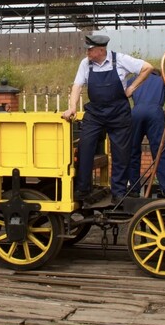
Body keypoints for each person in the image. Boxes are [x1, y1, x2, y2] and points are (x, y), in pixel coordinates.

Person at [61, 34, 153, 203]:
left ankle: (118, 192)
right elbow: (77, 86)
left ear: (101, 50)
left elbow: (147, 67)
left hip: (119, 114)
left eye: (90, 49)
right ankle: (83, 189)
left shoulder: (120, 60)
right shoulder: (85, 63)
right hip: (95, 113)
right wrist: (72, 107)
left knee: (121, 153)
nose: (87, 52)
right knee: (85, 146)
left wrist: (132, 87)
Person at [124, 70, 165, 197]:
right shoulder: (161, 80)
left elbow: (122, 91)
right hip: (155, 114)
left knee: (133, 152)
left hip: (136, 113)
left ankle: (134, 189)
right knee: (160, 152)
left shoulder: (134, 80)